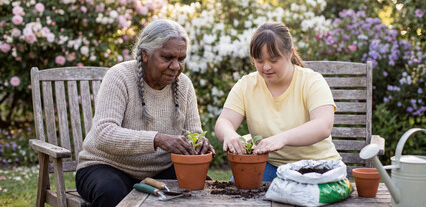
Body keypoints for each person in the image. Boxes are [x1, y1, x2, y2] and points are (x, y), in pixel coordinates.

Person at [76, 19, 215, 207]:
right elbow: (103, 133)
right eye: (167, 58)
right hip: (106, 166)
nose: (175, 66)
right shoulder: (120, 76)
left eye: (181, 59)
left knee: (203, 188)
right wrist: (157, 139)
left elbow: (193, 133)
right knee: (111, 192)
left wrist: (199, 144)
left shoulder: (184, 85)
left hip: (161, 171)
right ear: (145, 54)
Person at [214, 22, 341, 182]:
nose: (266, 67)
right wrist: (229, 134)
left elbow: (323, 125)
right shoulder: (247, 85)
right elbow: (224, 121)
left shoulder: (311, 81)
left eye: (274, 60)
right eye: (259, 61)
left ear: (290, 53)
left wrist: (281, 138)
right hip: (269, 166)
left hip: (317, 167)